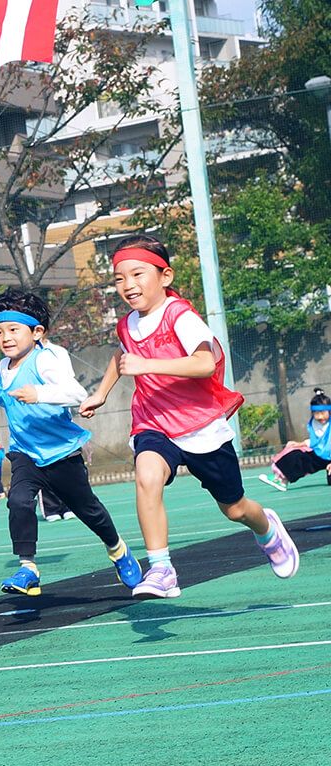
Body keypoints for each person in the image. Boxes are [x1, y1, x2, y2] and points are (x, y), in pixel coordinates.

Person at [80, 234, 299, 597]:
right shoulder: (127, 325)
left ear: (165, 276)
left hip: (199, 426)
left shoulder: (179, 315)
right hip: (153, 421)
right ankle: (162, 569)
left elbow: (204, 362)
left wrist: (148, 363)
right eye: (119, 278)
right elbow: (122, 358)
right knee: (146, 476)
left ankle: (268, 531)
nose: (128, 285)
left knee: (235, 508)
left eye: (137, 274)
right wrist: (101, 394)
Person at [0, 290, 141, 596]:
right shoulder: (3, 367)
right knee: (18, 501)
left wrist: (39, 394)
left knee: (88, 509)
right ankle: (28, 568)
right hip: (25, 453)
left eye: (13, 330)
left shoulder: (48, 359)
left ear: (37, 331)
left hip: (61, 453)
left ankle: (118, 549)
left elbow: (77, 394)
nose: (5, 337)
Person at [260, 389, 331, 491]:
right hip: (322, 456)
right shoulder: (314, 423)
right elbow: (316, 441)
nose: (320, 416)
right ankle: (281, 480)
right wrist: (299, 444)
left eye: (323, 413)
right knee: (297, 455)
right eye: (316, 413)